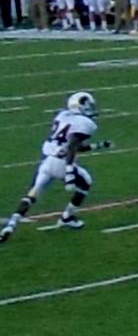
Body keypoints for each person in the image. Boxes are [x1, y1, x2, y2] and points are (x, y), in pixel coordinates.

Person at [0, 90, 104, 244]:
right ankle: (67, 217)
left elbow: (74, 146)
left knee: (32, 195)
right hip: (61, 162)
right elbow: (71, 146)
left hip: (47, 161)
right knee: (86, 182)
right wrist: (69, 173)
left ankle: (9, 227)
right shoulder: (86, 124)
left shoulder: (62, 116)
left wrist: (98, 146)